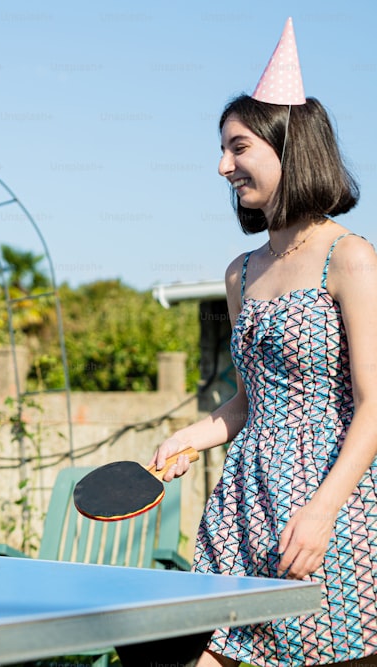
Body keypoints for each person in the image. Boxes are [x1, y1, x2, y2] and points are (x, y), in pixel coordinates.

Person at [152, 19, 377, 666]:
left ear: (289, 146)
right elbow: (250, 401)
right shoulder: (240, 272)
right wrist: (193, 436)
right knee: (217, 651)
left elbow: (373, 401)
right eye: (224, 149)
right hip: (246, 501)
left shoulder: (349, 255)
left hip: (335, 505)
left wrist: (322, 512)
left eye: (238, 146)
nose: (223, 165)